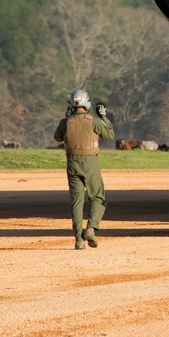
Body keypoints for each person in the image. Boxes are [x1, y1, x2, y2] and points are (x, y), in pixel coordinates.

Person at [53, 89, 114, 249]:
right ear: (87, 103)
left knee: (76, 202)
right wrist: (104, 118)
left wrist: (67, 117)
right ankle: (91, 229)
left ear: (71, 104)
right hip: (90, 163)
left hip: (72, 163)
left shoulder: (65, 122)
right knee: (98, 196)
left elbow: (57, 137)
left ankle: (78, 240)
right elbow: (109, 136)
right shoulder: (94, 121)